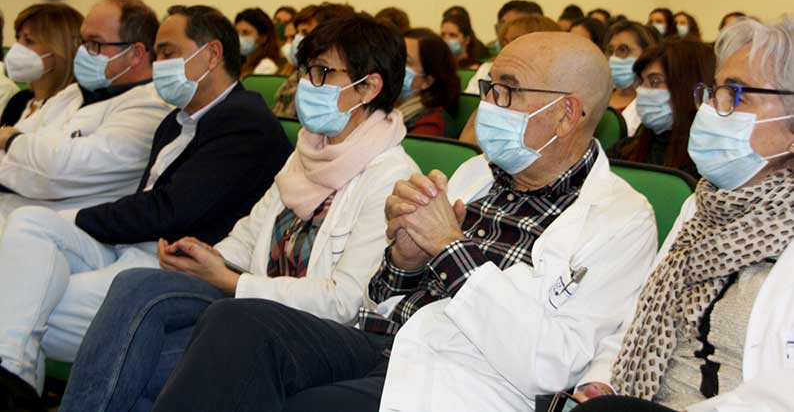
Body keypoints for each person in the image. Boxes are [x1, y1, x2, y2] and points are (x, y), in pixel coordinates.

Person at [136, 32, 657, 412]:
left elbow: (551, 363)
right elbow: (382, 296)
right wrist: (405, 259)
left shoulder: (620, 219)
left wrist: (450, 249)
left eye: (507, 91)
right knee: (237, 322)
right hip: (384, 341)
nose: (488, 104)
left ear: (567, 114)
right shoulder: (479, 172)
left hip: (471, 377)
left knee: (309, 405)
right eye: (490, 86)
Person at [57, 14, 419, 412]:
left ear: (369, 86)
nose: (305, 86)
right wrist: (210, 256)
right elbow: (251, 233)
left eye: (321, 73)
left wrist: (232, 281)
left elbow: (346, 301)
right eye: (306, 71)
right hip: (244, 304)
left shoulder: (392, 177)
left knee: (147, 362)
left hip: (310, 331)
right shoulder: (310, 150)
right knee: (135, 284)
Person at [0, 5, 292, 410]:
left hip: (175, 267)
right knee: (29, 223)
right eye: (157, 53)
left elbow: (169, 211)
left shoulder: (245, 123)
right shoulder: (177, 120)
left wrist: (83, 218)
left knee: (22, 303)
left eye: (169, 52)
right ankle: (11, 375)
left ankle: (10, 377)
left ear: (211, 55)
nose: (159, 64)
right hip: (133, 247)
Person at [571, 16, 794, 412]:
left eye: (737, 94)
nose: (713, 108)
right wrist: (604, 377)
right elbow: (642, 310)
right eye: (714, 92)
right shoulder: (704, 205)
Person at [0, 0, 172, 221]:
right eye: (82, 42)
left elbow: (58, 174)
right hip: (15, 211)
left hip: (64, 231)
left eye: (94, 43)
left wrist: (14, 142)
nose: (82, 52)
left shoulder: (151, 108)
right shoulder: (75, 93)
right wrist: (26, 153)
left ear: (135, 54)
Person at [608, 37, 716, 178]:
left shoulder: (708, 167)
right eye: (642, 81)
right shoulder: (625, 151)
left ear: (687, 87)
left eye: (655, 81)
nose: (642, 90)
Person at [459, 14, 562, 144]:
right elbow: (468, 143)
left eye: (515, 41)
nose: (506, 48)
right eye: (505, 42)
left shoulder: (552, 94)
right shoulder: (494, 83)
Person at [1, 4, 81, 126]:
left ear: (61, 49)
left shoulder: (72, 107)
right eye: (18, 38)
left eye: (29, 41)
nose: (17, 47)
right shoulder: (18, 101)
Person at [272, 2, 356, 118]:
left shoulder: (335, 87)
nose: (298, 39)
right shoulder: (298, 76)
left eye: (305, 32)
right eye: (298, 32)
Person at [397, 28, 460, 137]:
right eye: (396, 58)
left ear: (427, 81)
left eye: (406, 61)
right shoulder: (382, 109)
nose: (394, 66)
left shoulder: (431, 125)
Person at [604, 20, 660, 136]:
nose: (614, 58)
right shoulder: (601, 95)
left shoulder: (654, 105)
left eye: (623, 50)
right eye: (610, 51)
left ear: (646, 54)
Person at [234, 7, 284, 76]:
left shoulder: (266, 66)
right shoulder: (240, 64)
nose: (239, 38)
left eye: (246, 33)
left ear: (263, 37)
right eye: (236, 33)